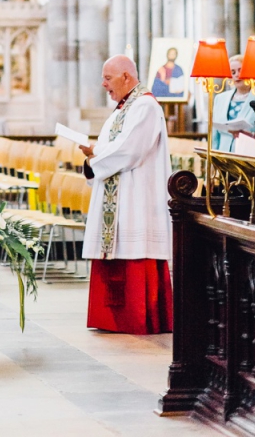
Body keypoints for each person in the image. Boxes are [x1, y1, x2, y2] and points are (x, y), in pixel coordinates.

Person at [81, 54, 173, 335]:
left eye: (108, 78)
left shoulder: (144, 106)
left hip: (136, 196)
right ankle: (111, 318)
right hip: (120, 192)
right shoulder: (123, 108)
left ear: (126, 77)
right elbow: (115, 146)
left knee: (135, 254)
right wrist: (94, 156)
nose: (103, 85)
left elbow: (130, 150)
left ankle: (137, 319)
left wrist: (94, 159)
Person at [211, 55, 255, 151]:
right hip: (223, 156)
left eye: (240, 70)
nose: (237, 75)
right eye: (233, 72)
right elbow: (215, 135)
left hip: (248, 155)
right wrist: (213, 160)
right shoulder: (220, 98)